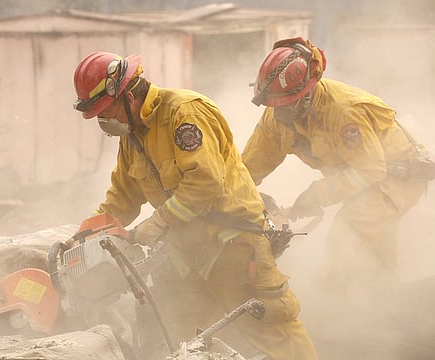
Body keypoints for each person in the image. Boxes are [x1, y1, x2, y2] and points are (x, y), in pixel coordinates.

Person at [72, 51, 318, 359]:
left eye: (107, 111)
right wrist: (83, 236)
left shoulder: (184, 113)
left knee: (273, 330)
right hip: (186, 258)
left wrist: (156, 224)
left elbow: (205, 184)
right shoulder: (131, 135)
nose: (107, 121)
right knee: (189, 342)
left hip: (234, 247)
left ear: (129, 95)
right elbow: (122, 197)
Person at [242, 36, 432, 301]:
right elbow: (248, 167)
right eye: (272, 105)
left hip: (396, 179)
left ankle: (334, 309)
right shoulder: (278, 116)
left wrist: (317, 195)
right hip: (365, 177)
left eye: (283, 105)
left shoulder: (343, 112)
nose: (277, 113)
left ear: (305, 95)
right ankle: (387, 306)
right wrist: (228, 197)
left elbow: (370, 171)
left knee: (347, 237)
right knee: (375, 253)